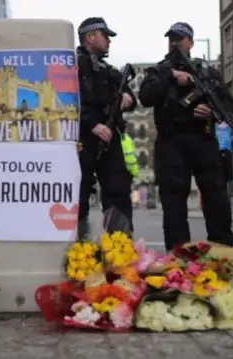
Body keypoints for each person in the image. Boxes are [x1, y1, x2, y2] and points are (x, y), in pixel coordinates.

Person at [138, 22, 233, 250]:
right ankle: (178, 255)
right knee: (173, 202)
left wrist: (211, 112)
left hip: (203, 138)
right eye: (171, 38)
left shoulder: (207, 72)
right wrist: (170, 76)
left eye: (180, 39)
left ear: (190, 42)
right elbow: (146, 97)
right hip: (171, 141)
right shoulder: (158, 71)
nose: (175, 43)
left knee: (216, 196)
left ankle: (222, 253)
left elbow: (229, 105)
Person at [76, 17, 137, 238]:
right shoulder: (72, 64)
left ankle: (119, 247)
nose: (109, 41)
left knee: (118, 191)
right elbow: (65, 100)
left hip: (110, 137)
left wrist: (127, 99)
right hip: (84, 137)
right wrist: (93, 125)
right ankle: (77, 247)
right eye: (105, 36)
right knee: (79, 193)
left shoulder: (110, 70)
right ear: (90, 37)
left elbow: (132, 97)